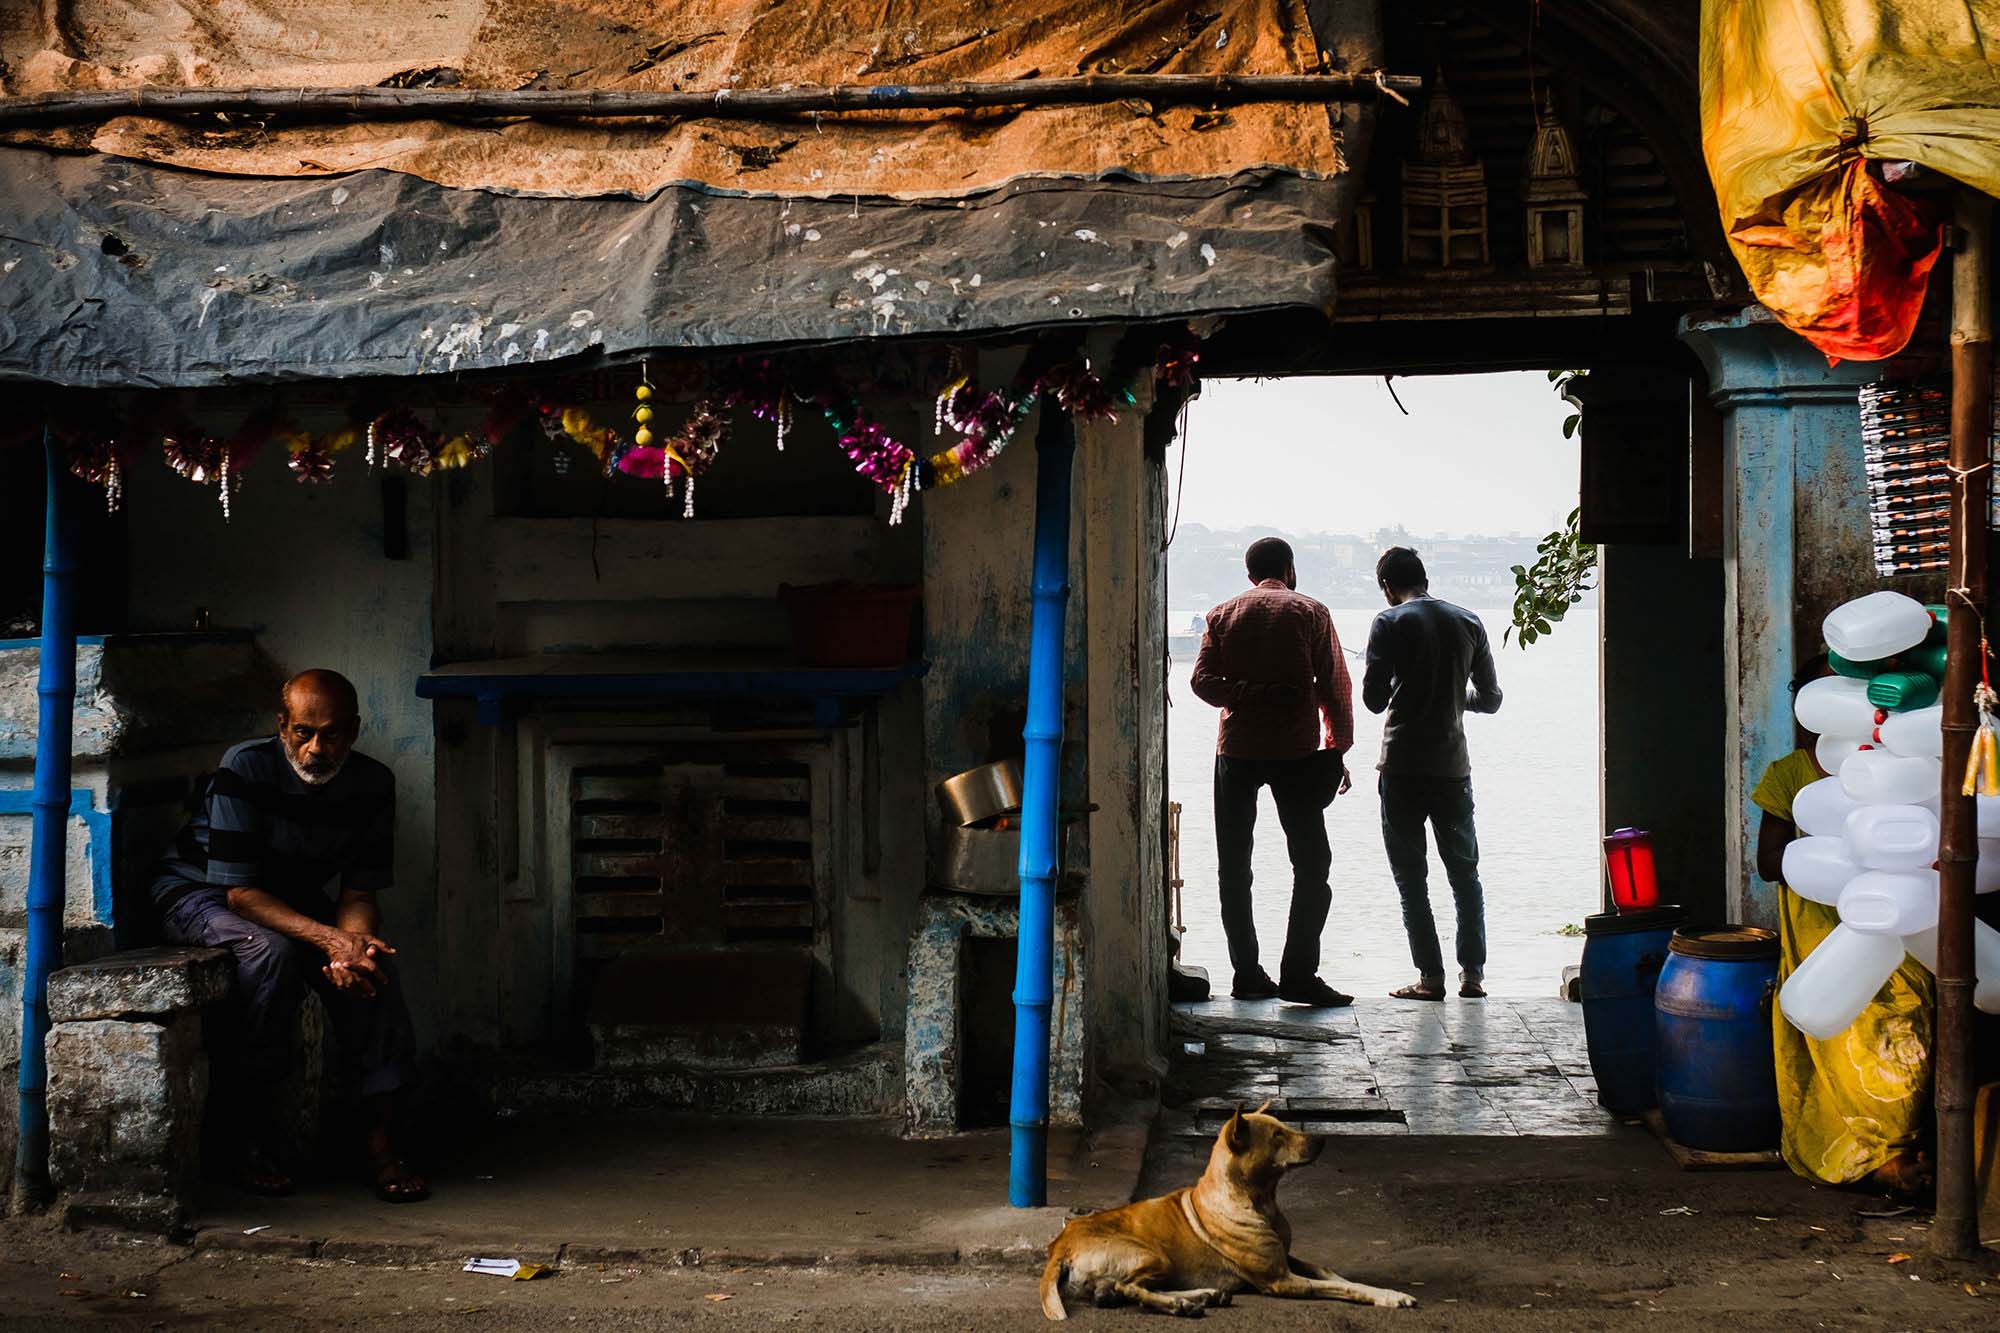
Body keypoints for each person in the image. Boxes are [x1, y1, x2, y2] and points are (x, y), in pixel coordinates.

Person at [151, 668, 428, 1203]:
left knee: (376, 971)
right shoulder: (245, 766)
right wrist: (328, 939)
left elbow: (358, 897)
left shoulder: (373, 784)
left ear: (354, 730)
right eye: (304, 732)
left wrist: (353, 950)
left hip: (294, 903)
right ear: (283, 727)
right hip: (201, 893)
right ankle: (248, 1139)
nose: (317, 747)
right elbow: (240, 895)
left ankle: (381, 1146)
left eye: (332, 733)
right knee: (267, 953)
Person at [1755, 672, 1933, 1198]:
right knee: (1834, 1039)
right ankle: (1862, 1160)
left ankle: (1901, 1147)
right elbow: (1769, 863)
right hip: (1820, 930)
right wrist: (1842, 855)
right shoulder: (1790, 775)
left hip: (1897, 923)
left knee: (1903, 1028)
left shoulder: (1905, 771)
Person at [1190, 536, 1355, 1007]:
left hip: (1236, 751)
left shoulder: (1222, 614)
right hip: (1295, 753)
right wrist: (1337, 746)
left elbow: (1202, 682)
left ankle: (1247, 974)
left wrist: (1247, 693)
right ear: (1289, 568)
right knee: (1311, 863)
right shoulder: (1311, 611)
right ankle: (1299, 975)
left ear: (1249, 575)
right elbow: (1336, 684)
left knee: (1234, 865)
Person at [1363, 547, 1502, 1001]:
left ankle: (1431, 978)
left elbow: (1373, 700)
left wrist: (1397, 679)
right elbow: (1492, 699)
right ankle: (1473, 976)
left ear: (1386, 585)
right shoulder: (1469, 621)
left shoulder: (1388, 623)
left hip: (1402, 767)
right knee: (1466, 876)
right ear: (1425, 577)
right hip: (1451, 768)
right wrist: (1454, 695)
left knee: (1411, 879)